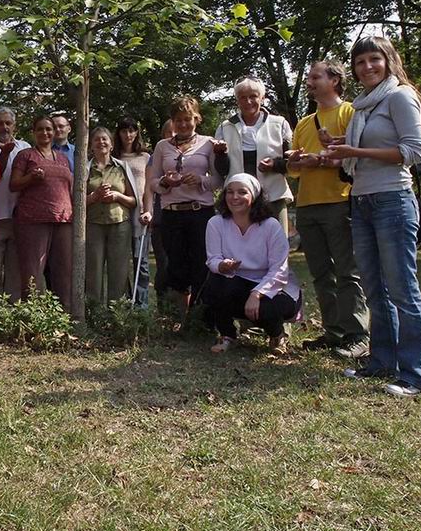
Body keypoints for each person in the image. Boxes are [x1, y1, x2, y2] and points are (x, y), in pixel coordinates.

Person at [327, 36, 421, 397]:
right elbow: (363, 152)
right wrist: (340, 146)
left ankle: (415, 376)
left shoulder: (400, 96)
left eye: (374, 59)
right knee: (375, 288)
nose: (367, 67)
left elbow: (414, 151)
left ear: (388, 60)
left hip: (393, 200)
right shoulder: (362, 107)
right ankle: (382, 361)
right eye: (360, 62)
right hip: (362, 200)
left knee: (403, 289)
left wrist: (355, 149)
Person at [287, 61, 369, 358]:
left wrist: (320, 160)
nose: (309, 82)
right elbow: (294, 170)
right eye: (308, 77)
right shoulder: (305, 122)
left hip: (339, 201)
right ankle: (334, 333)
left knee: (347, 271)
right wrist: (295, 160)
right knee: (321, 274)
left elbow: (355, 158)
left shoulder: (350, 113)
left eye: (314, 77)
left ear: (334, 80)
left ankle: (358, 335)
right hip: (307, 205)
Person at [203, 174, 302, 354]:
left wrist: (257, 294)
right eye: (230, 192)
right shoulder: (216, 223)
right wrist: (222, 265)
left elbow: (280, 270)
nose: (235, 197)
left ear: (254, 196)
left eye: (242, 192)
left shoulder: (270, 225)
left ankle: (277, 335)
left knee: (268, 309)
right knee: (214, 283)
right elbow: (212, 259)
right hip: (237, 281)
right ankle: (227, 335)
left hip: (275, 286)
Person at [148, 96, 221, 316]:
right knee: (176, 267)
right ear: (172, 121)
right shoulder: (162, 146)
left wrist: (200, 180)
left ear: (196, 119)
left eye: (187, 119)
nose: (183, 124)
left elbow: (218, 180)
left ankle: (201, 318)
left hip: (200, 212)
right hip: (172, 214)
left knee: (201, 264)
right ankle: (180, 318)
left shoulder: (208, 143)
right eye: (178, 120)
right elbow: (152, 182)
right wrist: (165, 182)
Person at [214, 77, 294, 233]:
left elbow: (291, 164)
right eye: (243, 97)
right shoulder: (226, 127)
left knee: (277, 247)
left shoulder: (279, 124)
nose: (248, 101)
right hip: (238, 201)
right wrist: (220, 154)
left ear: (262, 98)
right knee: (240, 248)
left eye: (253, 96)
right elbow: (222, 171)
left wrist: (274, 165)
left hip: (273, 197)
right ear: (237, 100)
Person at [10, 116, 74, 311]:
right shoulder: (25, 155)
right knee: (33, 271)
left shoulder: (62, 158)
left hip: (63, 219)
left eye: (49, 129)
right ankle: (33, 314)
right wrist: (31, 177)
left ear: (54, 132)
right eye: (40, 129)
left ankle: (64, 313)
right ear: (33, 132)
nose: (45, 133)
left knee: (63, 269)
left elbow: (69, 189)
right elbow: (13, 185)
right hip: (32, 220)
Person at [85, 127, 140, 303]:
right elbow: (76, 203)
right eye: (96, 140)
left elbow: (133, 201)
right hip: (93, 225)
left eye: (105, 139)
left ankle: (116, 316)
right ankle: (94, 313)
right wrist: (94, 197)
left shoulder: (121, 167)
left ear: (111, 144)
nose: (101, 142)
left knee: (119, 271)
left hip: (120, 225)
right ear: (91, 145)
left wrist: (117, 196)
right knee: (93, 271)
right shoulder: (84, 169)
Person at [0, 107, 30, 308]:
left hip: (19, 216)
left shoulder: (25, 147)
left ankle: (13, 306)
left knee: (14, 266)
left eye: (8, 123)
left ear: (14, 125)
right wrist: (3, 154)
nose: (4, 127)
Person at [113, 116, 152, 307]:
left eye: (131, 130)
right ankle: (123, 302)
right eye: (124, 131)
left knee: (141, 262)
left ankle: (141, 306)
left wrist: (148, 209)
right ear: (118, 133)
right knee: (120, 262)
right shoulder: (114, 157)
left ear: (136, 133)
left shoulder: (145, 157)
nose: (128, 135)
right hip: (119, 212)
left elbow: (149, 188)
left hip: (140, 214)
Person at [148, 119, 174, 309]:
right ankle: (164, 308)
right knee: (164, 265)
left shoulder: (193, 154)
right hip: (161, 219)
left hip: (187, 217)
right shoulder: (156, 156)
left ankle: (186, 312)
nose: (173, 136)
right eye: (169, 133)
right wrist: (147, 211)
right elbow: (149, 188)